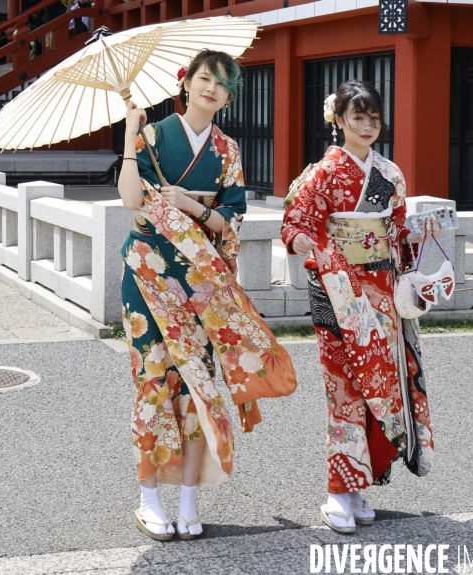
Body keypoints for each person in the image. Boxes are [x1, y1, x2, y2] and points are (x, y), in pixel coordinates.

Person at [118, 49, 297, 542]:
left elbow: (231, 221)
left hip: (200, 281)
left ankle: (189, 498)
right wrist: (132, 138)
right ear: (187, 83)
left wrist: (193, 206)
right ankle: (148, 497)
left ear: (227, 96)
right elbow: (132, 201)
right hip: (148, 277)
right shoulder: (152, 135)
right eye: (204, 78)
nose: (211, 88)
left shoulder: (227, 150)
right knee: (154, 382)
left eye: (221, 83)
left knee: (199, 385)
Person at [281, 80, 437, 534]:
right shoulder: (324, 173)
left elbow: (400, 231)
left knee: (381, 387)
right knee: (343, 390)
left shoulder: (389, 174)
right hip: (337, 291)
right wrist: (305, 238)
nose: (367, 126)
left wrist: (418, 261)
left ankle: (358, 486)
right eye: (357, 117)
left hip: (383, 293)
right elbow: (295, 222)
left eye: (374, 118)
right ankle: (336, 489)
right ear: (338, 121)